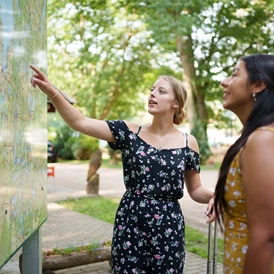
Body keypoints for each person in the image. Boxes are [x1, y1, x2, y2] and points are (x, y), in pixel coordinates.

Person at [30, 65, 215, 274]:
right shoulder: (129, 132)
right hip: (130, 222)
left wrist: (216, 196)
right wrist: (53, 93)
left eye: (161, 91)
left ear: (176, 103)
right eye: (152, 89)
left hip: (169, 226)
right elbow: (79, 122)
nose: (152, 94)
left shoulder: (188, 142)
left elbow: (196, 189)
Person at [214, 53, 274, 274]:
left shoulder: (263, 139)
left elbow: (267, 237)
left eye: (234, 74)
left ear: (257, 85)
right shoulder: (258, 137)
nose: (224, 81)